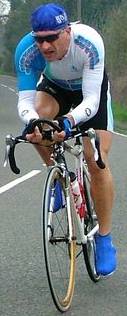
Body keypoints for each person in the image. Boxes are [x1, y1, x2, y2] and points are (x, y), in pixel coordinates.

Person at [15, 2, 117, 276]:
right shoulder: (26, 51)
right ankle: (60, 176)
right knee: (38, 128)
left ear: (68, 32)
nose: (45, 46)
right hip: (54, 89)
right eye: (39, 39)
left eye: (52, 38)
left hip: (88, 92)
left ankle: (104, 239)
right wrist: (34, 122)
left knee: (96, 160)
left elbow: (92, 101)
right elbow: (25, 103)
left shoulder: (89, 42)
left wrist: (69, 122)